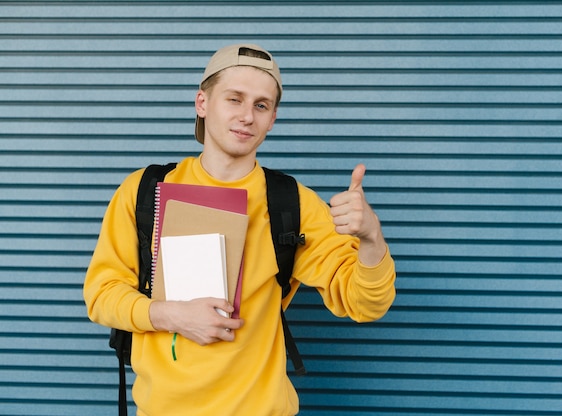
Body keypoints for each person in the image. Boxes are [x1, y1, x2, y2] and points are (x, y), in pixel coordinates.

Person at [84, 43, 396, 416]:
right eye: (234, 99)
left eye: (261, 105)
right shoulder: (144, 191)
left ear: (272, 118)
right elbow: (102, 295)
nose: (247, 116)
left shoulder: (292, 203)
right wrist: (171, 315)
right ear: (202, 103)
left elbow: (366, 304)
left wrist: (371, 238)